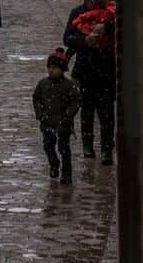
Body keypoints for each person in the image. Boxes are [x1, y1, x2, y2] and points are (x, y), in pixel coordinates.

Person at [63, 0, 116, 164]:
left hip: (106, 70)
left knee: (106, 113)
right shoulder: (78, 13)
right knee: (87, 111)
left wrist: (106, 27)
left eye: (98, 1)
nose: (95, 5)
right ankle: (87, 146)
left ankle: (107, 150)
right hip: (85, 70)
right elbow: (68, 38)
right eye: (92, 1)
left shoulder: (110, 13)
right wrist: (84, 41)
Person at [32, 48, 82, 183]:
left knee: (64, 149)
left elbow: (76, 101)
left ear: (62, 69)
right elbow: (36, 98)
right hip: (47, 121)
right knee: (48, 146)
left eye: (54, 68)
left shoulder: (70, 85)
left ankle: (66, 173)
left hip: (63, 123)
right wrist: (40, 114)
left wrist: (68, 115)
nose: (51, 70)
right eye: (49, 67)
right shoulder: (43, 84)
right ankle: (54, 164)